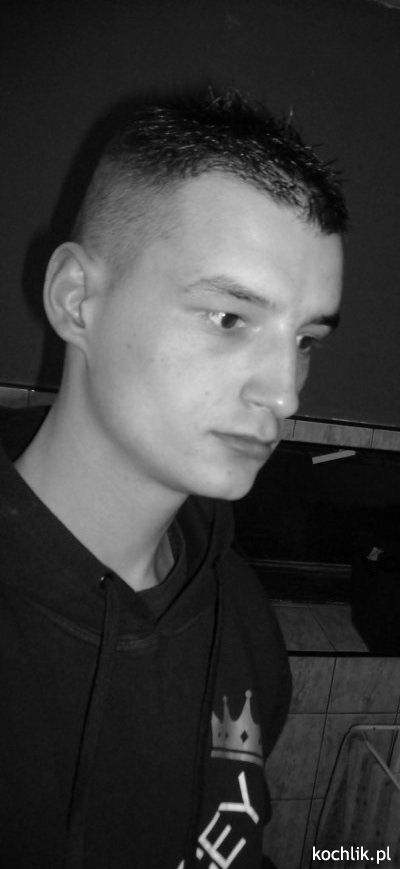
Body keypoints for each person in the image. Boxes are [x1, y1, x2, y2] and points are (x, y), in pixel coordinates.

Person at [0, 90, 347, 869]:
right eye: (229, 318)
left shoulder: (243, 623)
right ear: (77, 300)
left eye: (304, 340)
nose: (285, 393)